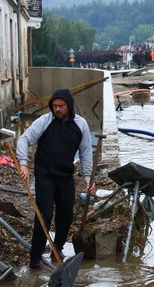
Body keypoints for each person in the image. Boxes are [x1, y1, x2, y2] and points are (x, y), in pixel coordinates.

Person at [15, 89, 96, 269]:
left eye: (61, 106)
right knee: (44, 215)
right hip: (45, 174)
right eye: (54, 106)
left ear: (69, 106)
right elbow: (24, 139)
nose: (57, 109)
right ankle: (35, 259)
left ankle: (56, 249)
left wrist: (88, 177)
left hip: (65, 175)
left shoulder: (80, 125)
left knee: (66, 215)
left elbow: (86, 153)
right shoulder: (45, 121)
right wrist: (23, 163)